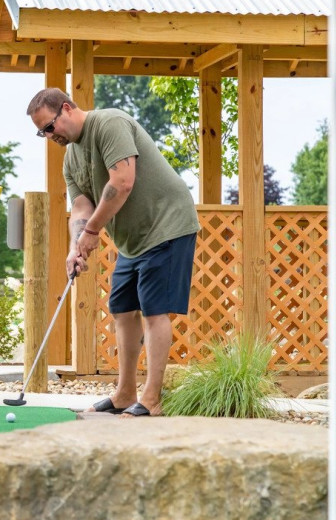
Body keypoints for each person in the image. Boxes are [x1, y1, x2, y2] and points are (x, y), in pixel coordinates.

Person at [27, 88, 200, 417]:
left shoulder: (109, 123)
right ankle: (124, 393)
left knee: (154, 309)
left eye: (49, 127)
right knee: (121, 307)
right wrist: (76, 245)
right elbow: (80, 205)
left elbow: (122, 181)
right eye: (42, 132)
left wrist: (92, 231)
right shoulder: (71, 157)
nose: (49, 136)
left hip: (167, 224)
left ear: (66, 108)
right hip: (132, 240)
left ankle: (152, 398)